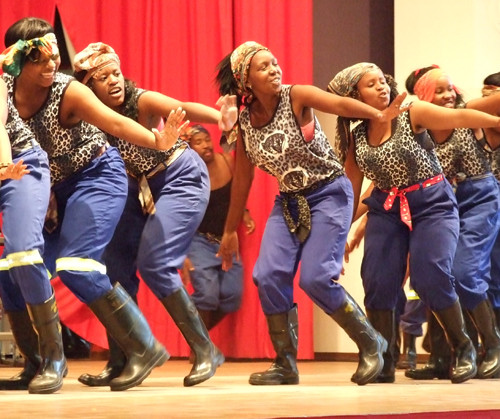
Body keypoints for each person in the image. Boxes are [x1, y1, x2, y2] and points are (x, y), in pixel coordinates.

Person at [215, 41, 413, 386]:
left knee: (316, 278)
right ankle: (285, 364)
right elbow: (242, 181)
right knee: (268, 275)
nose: (274, 69)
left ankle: (372, 344)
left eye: (275, 62)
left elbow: (336, 103)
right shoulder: (245, 124)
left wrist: (377, 114)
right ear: (246, 81)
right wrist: (229, 231)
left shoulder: (297, 96)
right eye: (264, 67)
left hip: (328, 194)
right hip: (289, 201)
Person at [1, 17, 183, 392]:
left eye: (54, 54)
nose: (52, 63)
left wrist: (157, 140)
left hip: (97, 177)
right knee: (12, 269)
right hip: (51, 189)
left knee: (76, 265)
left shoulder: (67, 91)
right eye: (40, 58)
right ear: (19, 62)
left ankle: (143, 348)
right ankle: (36, 363)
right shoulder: (3, 90)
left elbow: (114, 124)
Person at [72, 43, 236, 387]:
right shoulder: (85, 116)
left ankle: (206, 350)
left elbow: (183, 107)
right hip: (135, 187)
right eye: (103, 77)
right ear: (88, 87)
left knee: (155, 262)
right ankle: (125, 357)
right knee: (111, 265)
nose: (114, 81)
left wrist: (220, 117)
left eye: (116, 72)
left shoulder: (139, 100)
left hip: (179, 175)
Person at [328, 62, 500, 384]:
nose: (381, 87)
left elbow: (459, 117)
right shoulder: (357, 136)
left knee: (430, 275)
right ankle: (385, 360)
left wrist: (496, 120)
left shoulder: (411, 112)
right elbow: (352, 193)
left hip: (432, 204)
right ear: (354, 97)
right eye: (371, 84)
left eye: (382, 81)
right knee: (377, 279)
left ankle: (463, 349)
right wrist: (338, 236)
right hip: (387, 209)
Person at [401, 66, 500, 380]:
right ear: (425, 97)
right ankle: (441, 357)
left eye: (451, 89)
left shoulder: (465, 114)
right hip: (444, 205)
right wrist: (358, 224)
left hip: (480, 200)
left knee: (465, 271)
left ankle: (494, 347)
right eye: (440, 91)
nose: (448, 96)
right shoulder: (417, 131)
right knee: (433, 274)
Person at [0, 76, 63, 394]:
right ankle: (34, 360)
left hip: (18, 164)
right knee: (5, 269)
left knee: (22, 253)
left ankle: (54, 358)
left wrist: (3, 165)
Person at [182, 124, 255, 337]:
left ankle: (197, 339)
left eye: (207, 139)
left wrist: (245, 212)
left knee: (232, 297)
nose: (206, 145)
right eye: (198, 142)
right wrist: (182, 253)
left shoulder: (227, 161)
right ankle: (201, 349)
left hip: (226, 239)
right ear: (189, 148)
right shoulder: (186, 174)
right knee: (206, 295)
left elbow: (237, 192)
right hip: (198, 241)